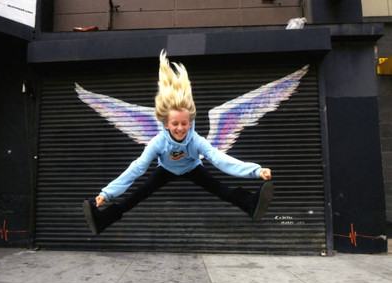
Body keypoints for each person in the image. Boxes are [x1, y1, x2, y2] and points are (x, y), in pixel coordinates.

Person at [82, 50, 273, 235]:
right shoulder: (158, 143)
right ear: (166, 123)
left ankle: (251, 204)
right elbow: (137, 168)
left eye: (184, 123)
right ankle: (103, 219)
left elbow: (219, 158)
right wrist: (107, 193)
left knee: (221, 190)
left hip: (192, 167)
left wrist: (255, 170)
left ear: (190, 122)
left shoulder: (196, 141)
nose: (180, 128)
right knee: (136, 195)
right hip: (165, 169)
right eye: (175, 123)